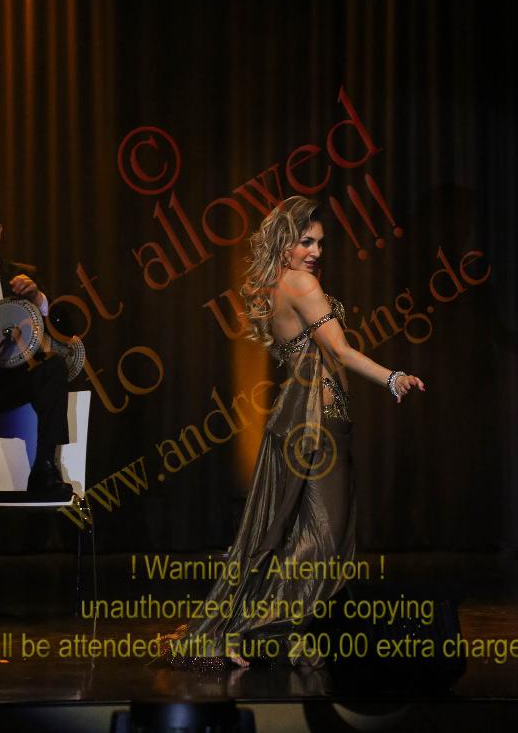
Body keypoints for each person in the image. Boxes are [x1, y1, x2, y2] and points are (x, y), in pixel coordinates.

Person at [162, 196, 424, 668]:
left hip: (301, 419)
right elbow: (339, 352)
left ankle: (287, 636)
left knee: (288, 532)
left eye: (320, 243)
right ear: (284, 241)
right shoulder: (301, 283)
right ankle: (248, 629)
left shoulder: (274, 285)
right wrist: (393, 378)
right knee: (323, 539)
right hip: (316, 423)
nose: (315, 252)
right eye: (306, 241)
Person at [0, 195, 72, 501]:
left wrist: (38, 298)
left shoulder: (20, 276)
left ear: (0, 232)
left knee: (53, 366)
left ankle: (45, 467)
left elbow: (62, 327)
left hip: (8, 377)